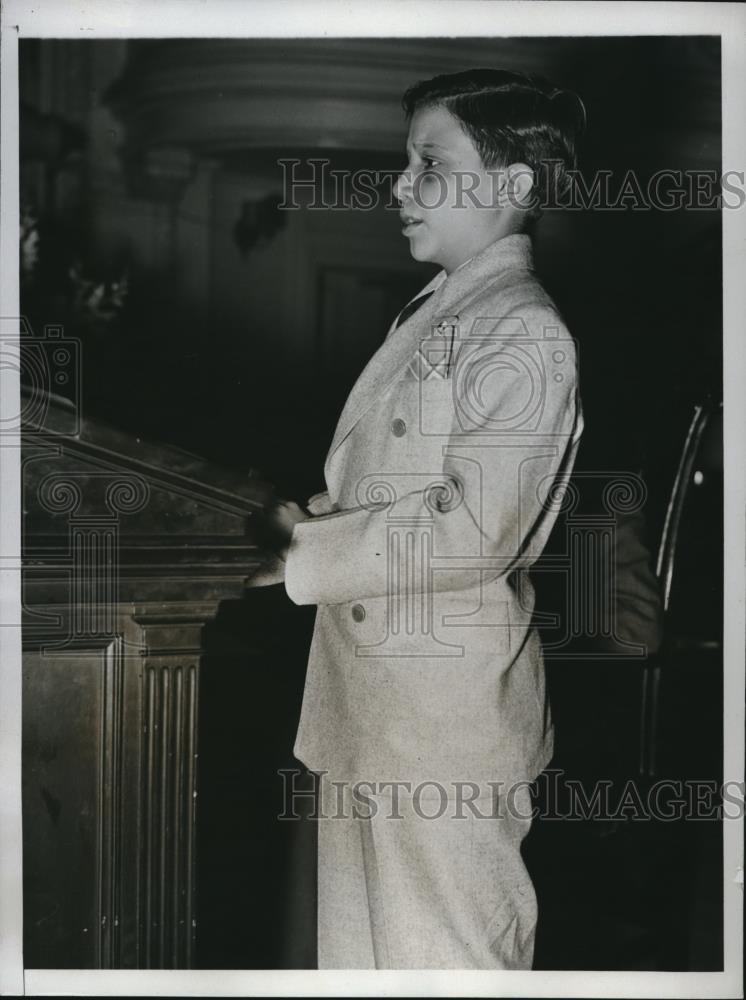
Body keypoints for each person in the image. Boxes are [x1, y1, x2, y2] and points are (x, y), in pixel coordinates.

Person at [248, 68, 586, 969]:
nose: (400, 186)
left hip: (445, 737)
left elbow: (476, 530)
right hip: (380, 718)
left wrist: (303, 557)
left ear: (512, 187)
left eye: (428, 164)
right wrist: (291, 524)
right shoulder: (448, 310)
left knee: (450, 965)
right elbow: (396, 486)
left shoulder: (523, 329)